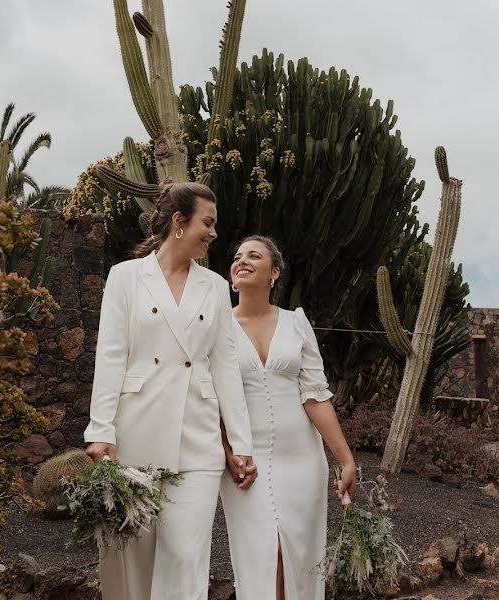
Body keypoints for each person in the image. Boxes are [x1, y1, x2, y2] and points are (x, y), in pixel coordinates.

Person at [84, 181, 256, 600]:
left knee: (186, 553)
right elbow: (110, 356)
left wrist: (240, 440)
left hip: (196, 439)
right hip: (134, 433)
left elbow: (225, 367)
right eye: (208, 222)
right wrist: (100, 429)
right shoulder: (125, 277)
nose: (214, 233)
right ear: (180, 222)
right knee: (132, 554)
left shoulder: (215, 286)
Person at [220, 235, 357, 600]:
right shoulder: (217, 327)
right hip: (245, 460)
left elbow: (315, 396)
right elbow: (209, 398)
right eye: (237, 257)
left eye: (254, 255)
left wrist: (345, 459)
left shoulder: (296, 323)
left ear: (274, 273)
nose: (242, 261)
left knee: (296, 557)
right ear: (231, 276)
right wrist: (227, 451)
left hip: (302, 460)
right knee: (264, 556)